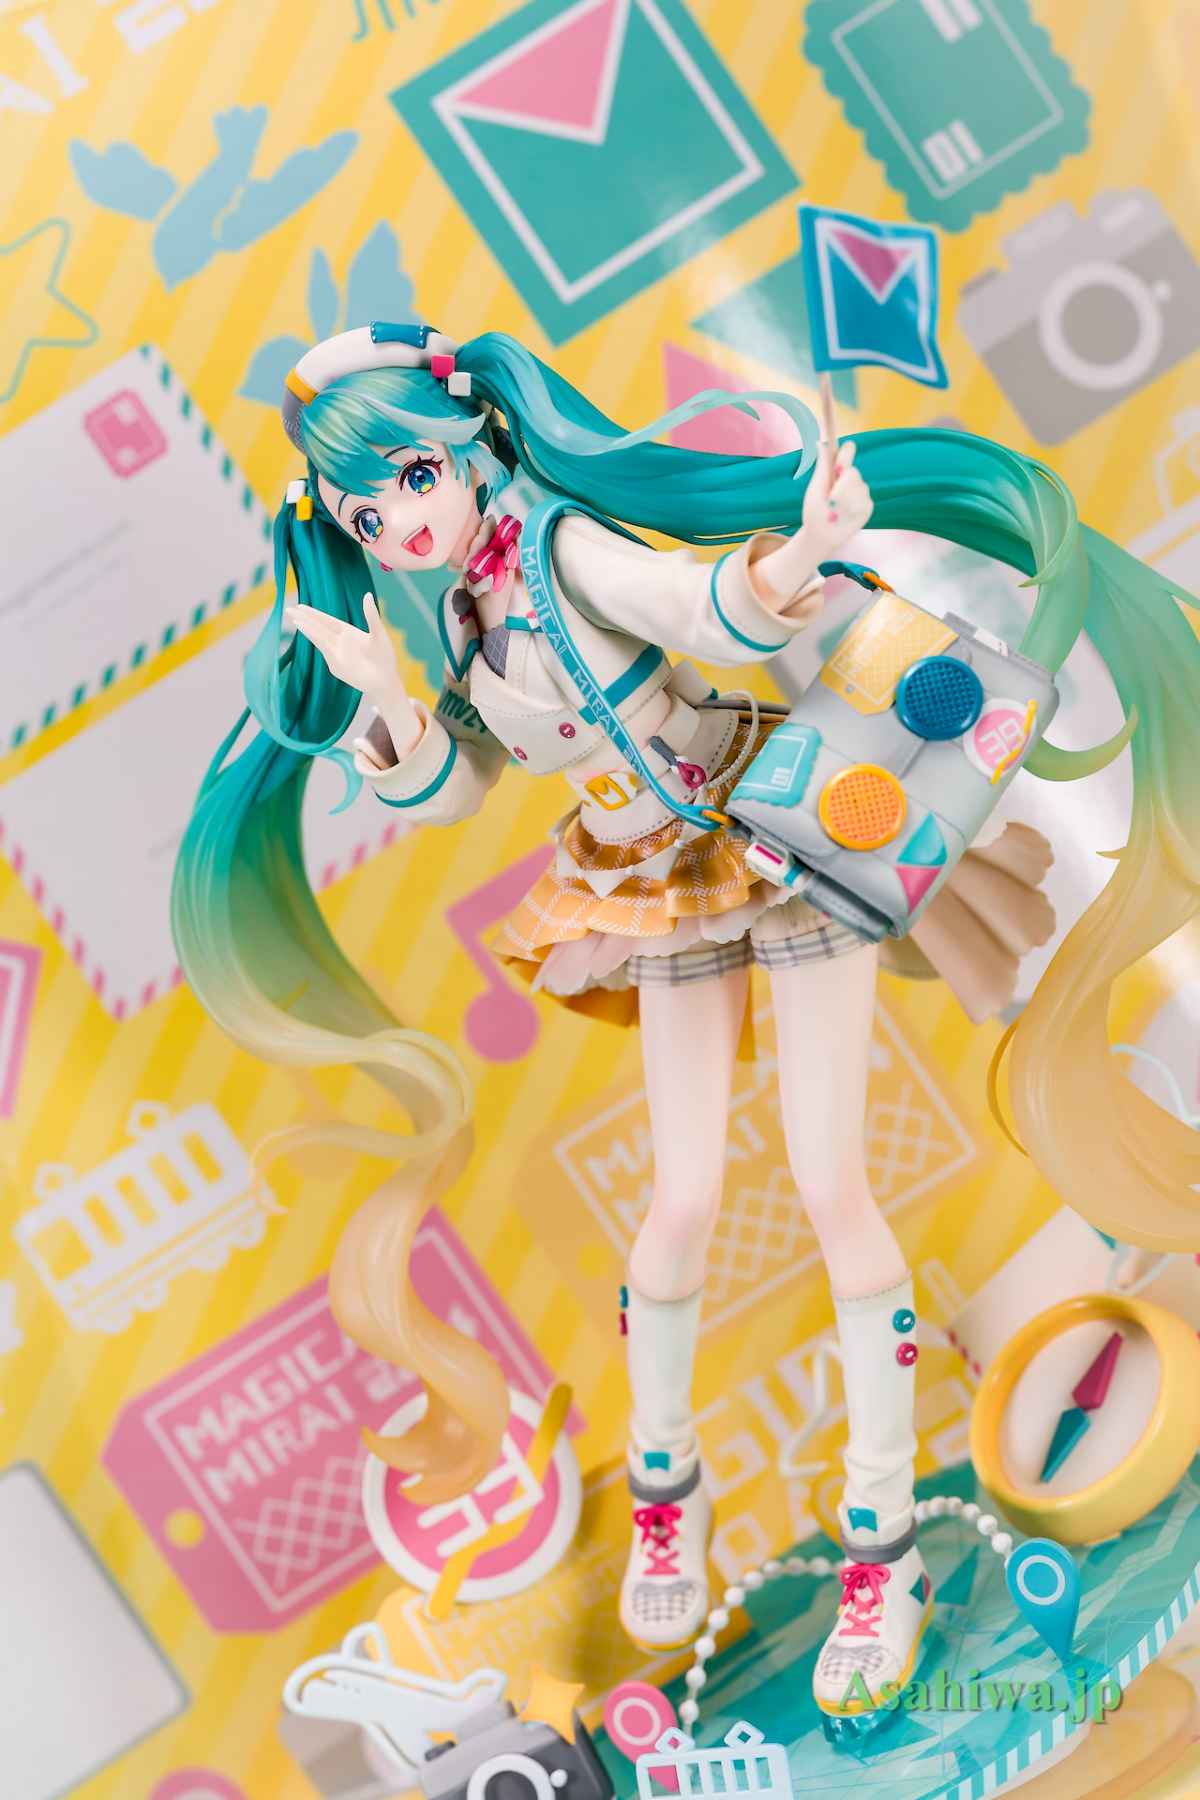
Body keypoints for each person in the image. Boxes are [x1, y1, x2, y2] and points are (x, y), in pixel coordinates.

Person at [172, 324, 1200, 1715]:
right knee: (682, 1203)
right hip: (645, 883)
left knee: (833, 1185)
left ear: (470, 444)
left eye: (413, 478)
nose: (402, 524)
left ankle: (881, 1551)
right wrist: (383, 711)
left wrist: (798, 554)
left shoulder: (558, 547)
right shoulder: (462, 622)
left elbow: (698, 606)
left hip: (777, 837)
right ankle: (670, 1491)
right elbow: (457, 790)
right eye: (368, 516)